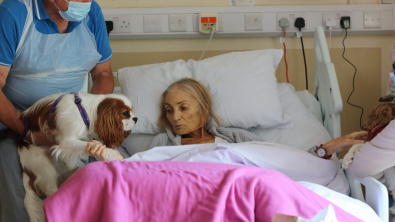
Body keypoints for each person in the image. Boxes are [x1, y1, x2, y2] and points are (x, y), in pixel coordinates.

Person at [0, 0, 114, 220]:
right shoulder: (14, 14)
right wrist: (27, 131)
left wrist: (85, 119)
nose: (84, 2)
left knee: (97, 181)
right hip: (16, 123)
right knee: (18, 188)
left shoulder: (92, 13)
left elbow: (103, 74)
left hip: (70, 118)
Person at [87, 78, 367, 162]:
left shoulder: (236, 137)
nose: (175, 117)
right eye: (169, 110)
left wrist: (324, 149)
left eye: (183, 107)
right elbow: (140, 173)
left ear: (203, 108)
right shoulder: (163, 143)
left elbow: (280, 161)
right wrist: (109, 155)